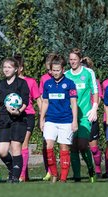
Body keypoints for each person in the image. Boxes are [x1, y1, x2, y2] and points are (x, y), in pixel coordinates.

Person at [0, 57, 30, 183]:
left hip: (18, 119)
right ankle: (13, 169)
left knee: (16, 146)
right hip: (4, 119)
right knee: (2, 150)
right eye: (4, 67)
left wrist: (18, 111)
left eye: (9, 67)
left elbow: (25, 101)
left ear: (16, 69)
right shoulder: (0, 84)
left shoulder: (22, 83)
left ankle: (16, 177)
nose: (6, 69)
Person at [39, 54, 78, 183]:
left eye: (58, 70)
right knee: (48, 146)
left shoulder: (70, 84)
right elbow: (45, 102)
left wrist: (74, 121)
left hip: (66, 120)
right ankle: (54, 174)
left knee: (64, 148)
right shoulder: (48, 84)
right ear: (50, 70)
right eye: (53, 70)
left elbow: (73, 103)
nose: (56, 73)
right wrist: (41, 119)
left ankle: (63, 178)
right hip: (50, 120)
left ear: (62, 69)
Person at [64, 48, 98, 182]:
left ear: (80, 59)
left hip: (84, 116)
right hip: (70, 116)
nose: (72, 62)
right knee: (72, 146)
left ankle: (91, 170)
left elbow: (95, 91)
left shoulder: (88, 73)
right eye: (70, 59)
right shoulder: (66, 74)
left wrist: (94, 108)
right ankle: (77, 176)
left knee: (83, 145)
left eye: (75, 59)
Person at [13, 54, 42, 181]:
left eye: (16, 66)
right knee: (15, 146)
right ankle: (23, 172)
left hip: (28, 115)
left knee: (24, 144)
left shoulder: (30, 82)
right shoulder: (9, 83)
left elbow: (39, 100)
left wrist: (43, 117)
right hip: (13, 117)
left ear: (21, 68)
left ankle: (22, 175)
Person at [81, 57, 103, 178]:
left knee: (94, 148)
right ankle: (90, 169)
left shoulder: (95, 81)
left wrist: (93, 111)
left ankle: (98, 169)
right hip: (79, 117)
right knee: (82, 147)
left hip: (91, 116)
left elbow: (98, 97)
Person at [39, 52, 58, 181]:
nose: (50, 72)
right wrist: (42, 115)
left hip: (62, 117)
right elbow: (41, 98)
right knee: (47, 144)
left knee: (64, 145)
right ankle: (49, 171)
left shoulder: (64, 77)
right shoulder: (44, 79)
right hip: (49, 116)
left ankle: (62, 171)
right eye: (48, 70)